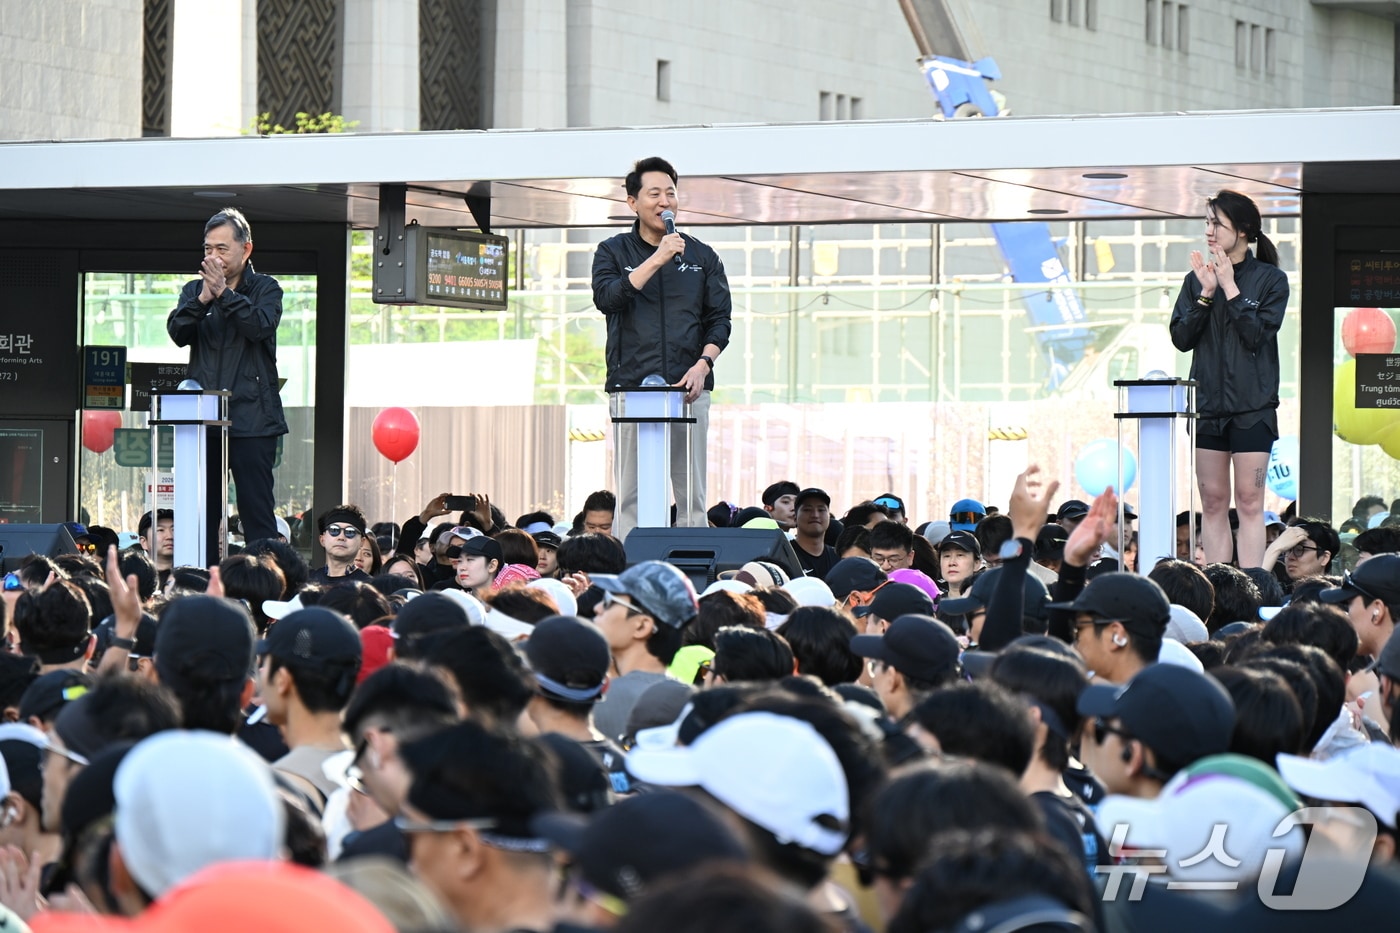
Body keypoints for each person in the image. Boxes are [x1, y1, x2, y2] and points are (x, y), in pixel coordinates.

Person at [592, 156, 733, 537]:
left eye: (670, 193)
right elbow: (607, 299)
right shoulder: (613, 251)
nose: (664, 201)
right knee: (633, 490)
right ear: (632, 203)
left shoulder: (702, 256)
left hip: (688, 386)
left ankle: (692, 568)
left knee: (691, 492)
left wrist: (703, 364)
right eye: (654, 193)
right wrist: (657, 258)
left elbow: (720, 319)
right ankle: (631, 562)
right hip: (632, 386)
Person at [1169, 190, 1287, 569]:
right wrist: (1206, 293)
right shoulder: (1196, 280)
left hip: (1253, 410)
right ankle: (1218, 585)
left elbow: (1256, 335)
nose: (1209, 230)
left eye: (1217, 223)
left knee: (1251, 502)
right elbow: (1181, 338)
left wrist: (1230, 287)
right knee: (1214, 502)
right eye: (1207, 222)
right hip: (1208, 409)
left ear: (1244, 229)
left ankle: (1253, 585)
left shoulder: (1271, 280)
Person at [166, 208, 288, 545]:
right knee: (201, 512)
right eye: (208, 249)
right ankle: (199, 587)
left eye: (222, 248)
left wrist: (225, 295)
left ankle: (263, 590)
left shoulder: (266, 289)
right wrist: (204, 298)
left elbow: (260, 326)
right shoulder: (194, 291)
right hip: (203, 422)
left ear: (246, 249)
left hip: (252, 420)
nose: (213, 256)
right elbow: (178, 332)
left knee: (257, 513)